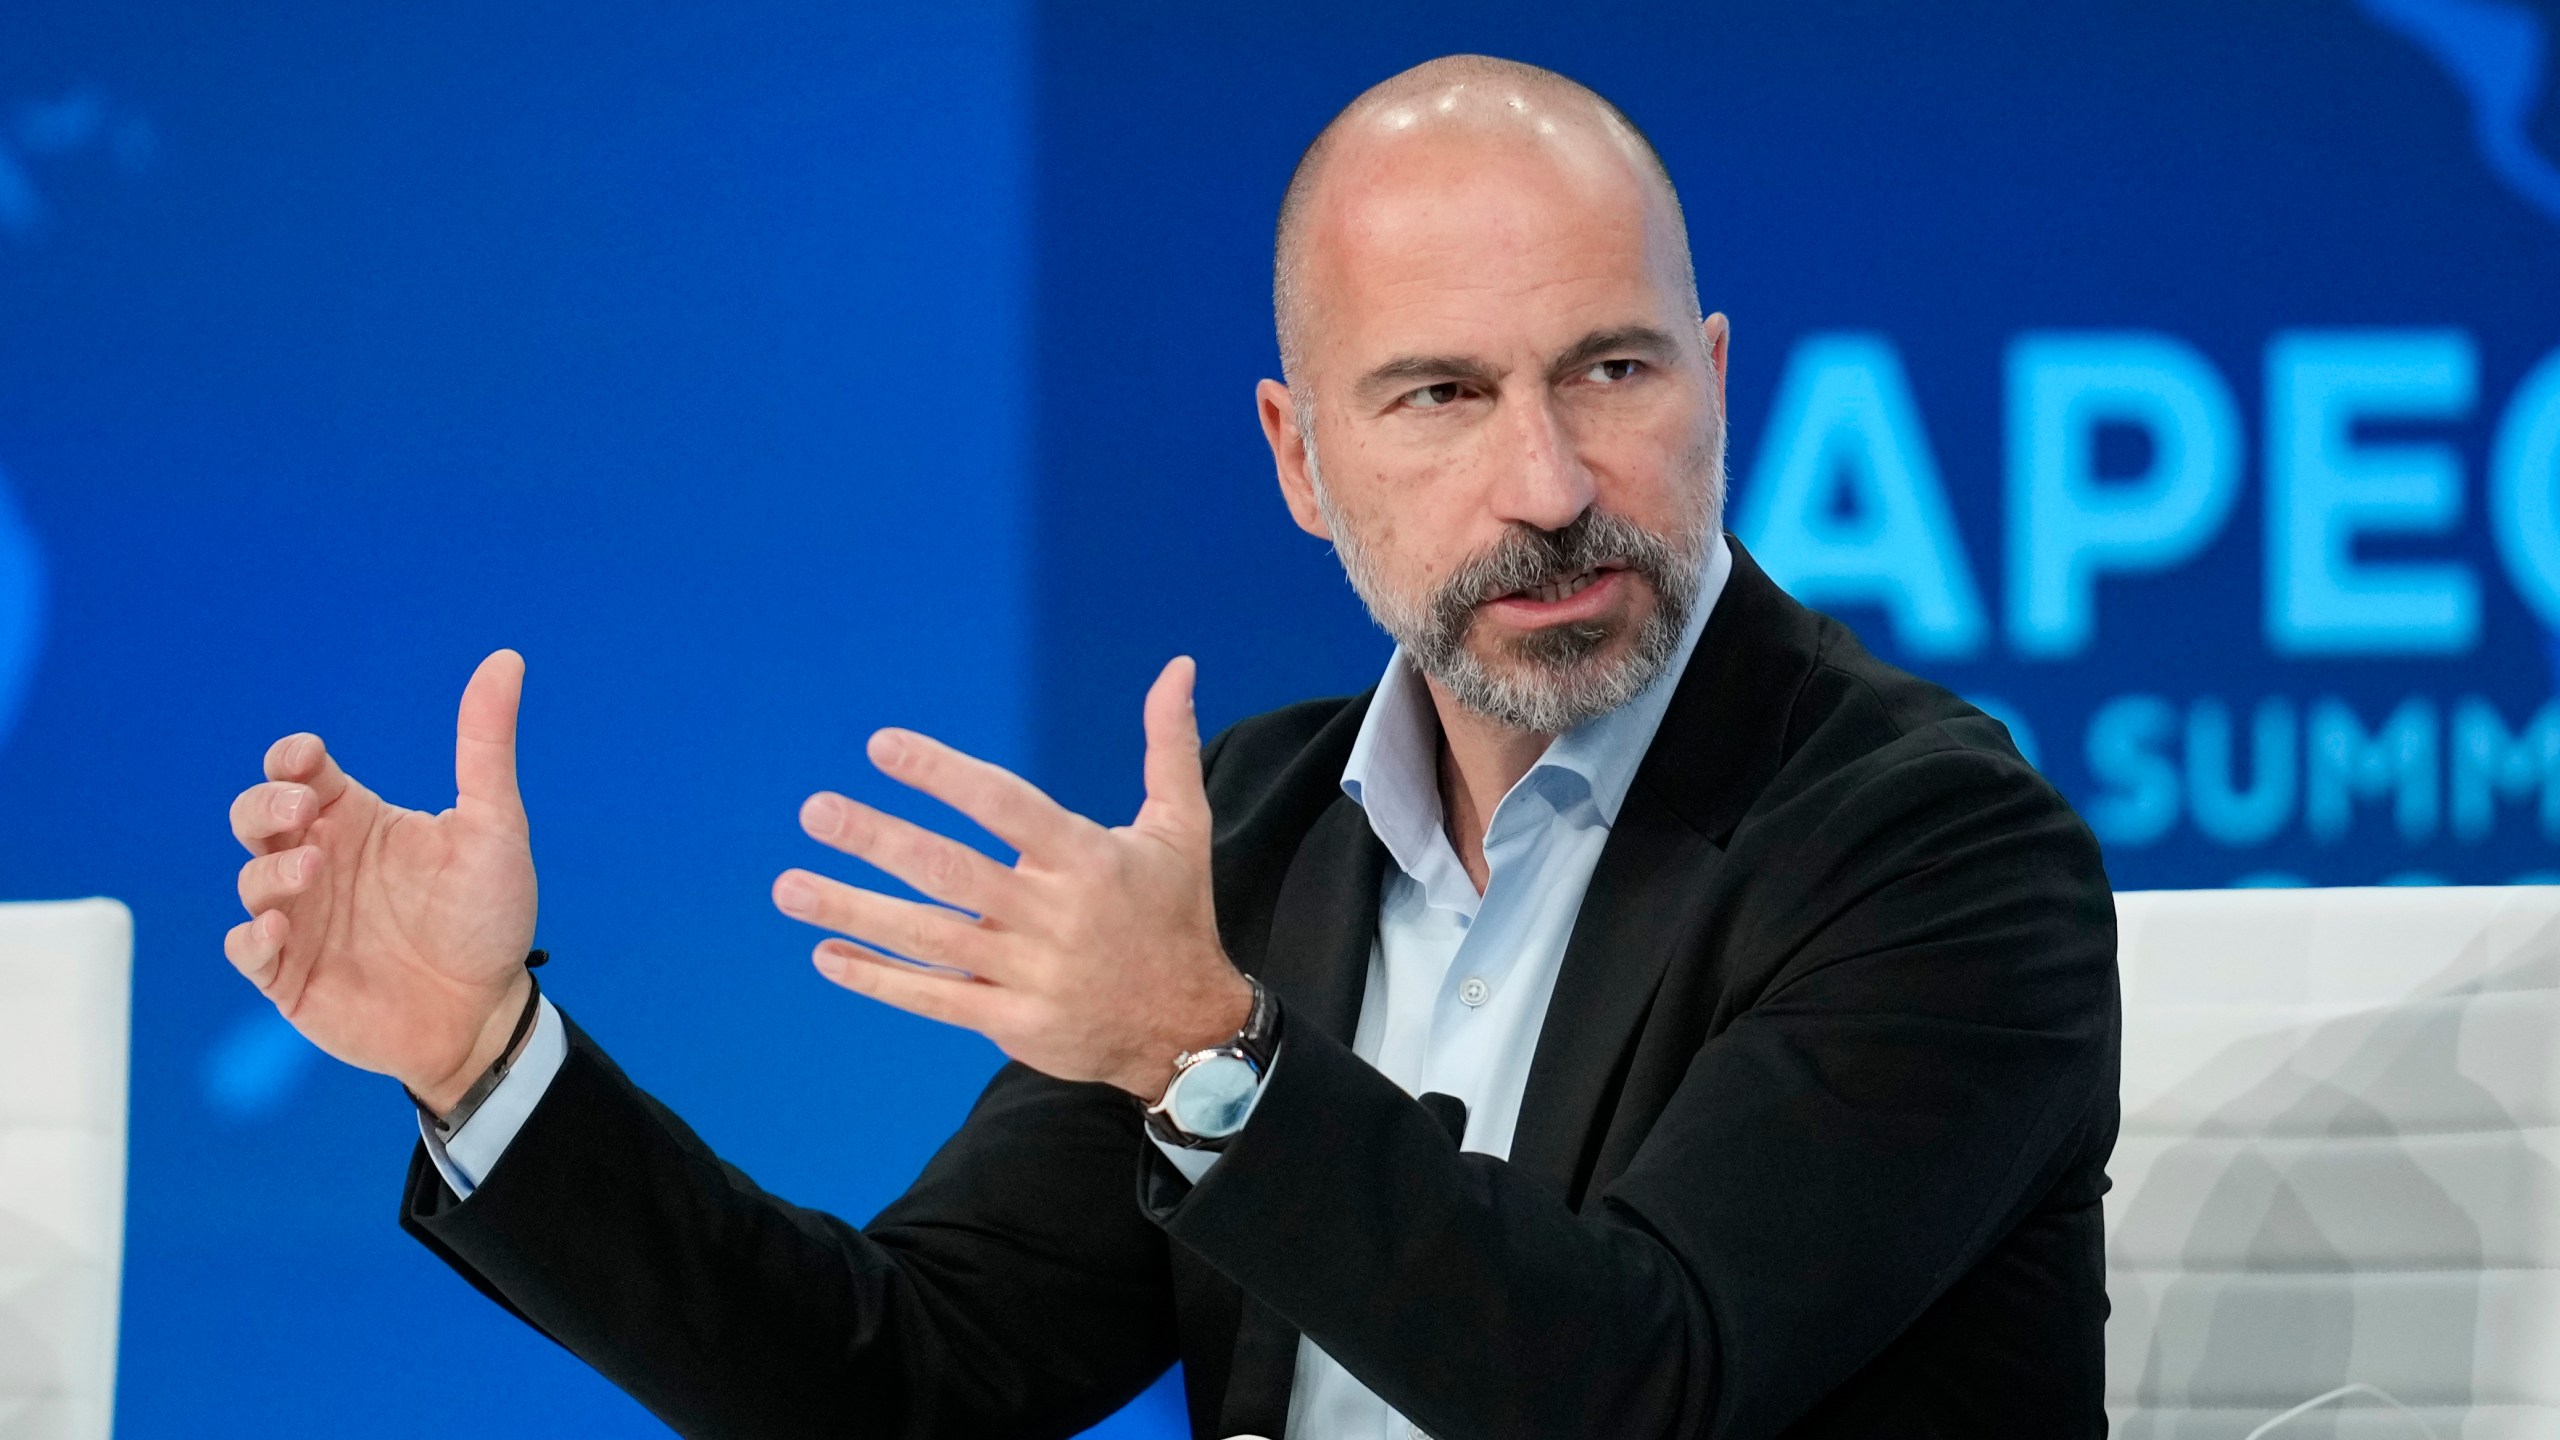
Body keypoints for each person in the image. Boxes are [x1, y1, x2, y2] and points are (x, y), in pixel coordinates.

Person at [222, 54, 2118, 1440]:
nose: (1549, 485)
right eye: (1443, 395)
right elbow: (914, 1379)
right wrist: (485, 1064)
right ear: (1301, 459)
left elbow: (1654, 1388)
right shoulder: (1265, 842)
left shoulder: (1935, 848)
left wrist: (1212, 1065)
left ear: (1716, 376)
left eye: (1611, 373)